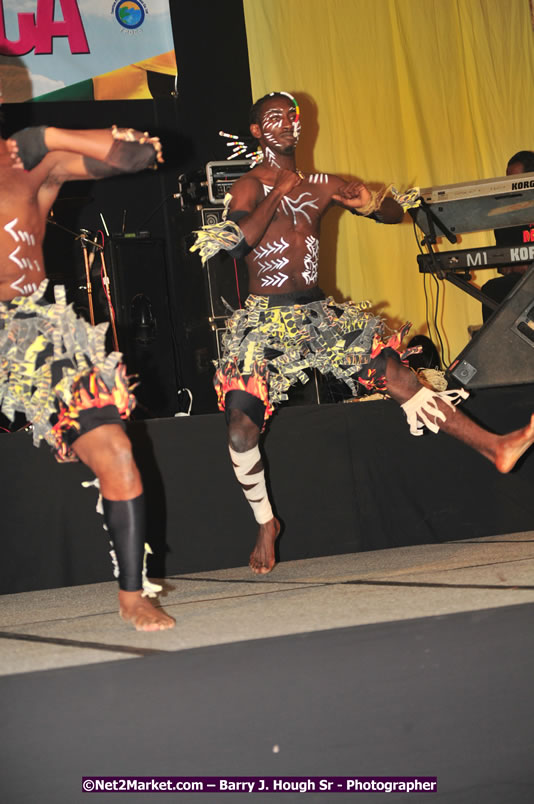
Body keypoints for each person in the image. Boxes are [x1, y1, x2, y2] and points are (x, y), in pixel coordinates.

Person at [191, 91, 534, 575]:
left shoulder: (322, 183)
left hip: (316, 315)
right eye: (273, 118)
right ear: (256, 132)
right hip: (264, 321)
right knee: (242, 428)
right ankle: (266, 522)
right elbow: (238, 244)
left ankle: (495, 447)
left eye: (289, 116)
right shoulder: (248, 187)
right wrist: (278, 191)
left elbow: (397, 215)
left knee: (399, 377)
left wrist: (372, 204)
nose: (285, 124)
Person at [3, 123, 175, 630]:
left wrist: (52, 135)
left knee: (118, 449)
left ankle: (132, 595)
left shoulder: (31, 162)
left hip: (34, 330)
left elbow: (142, 155)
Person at [481, 151, 534, 322]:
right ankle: (495, 347)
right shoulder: (505, 217)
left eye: (515, 181)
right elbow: (503, 265)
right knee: (491, 290)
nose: (510, 186)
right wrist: (519, 267)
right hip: (523, 284)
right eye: (507, 181)